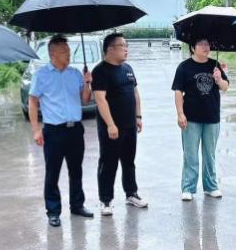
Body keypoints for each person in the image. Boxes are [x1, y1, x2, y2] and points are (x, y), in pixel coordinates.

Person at [28, 35, 94, 227]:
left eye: (68, 50)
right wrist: (36, 129)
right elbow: (32, 101)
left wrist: (88, 83)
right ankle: (53, 211)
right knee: (53, 172)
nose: (68, 53)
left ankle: (77, 205)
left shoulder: (75, 73)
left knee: (76, 170)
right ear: (52, 54)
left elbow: (85, 99)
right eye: (64, 51)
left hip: (75, 130)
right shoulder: (41, 75)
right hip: (53, 131)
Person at [91, 33, 147, 215]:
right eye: (122, 46)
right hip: (111, 128)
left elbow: (135, 93)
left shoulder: (128, 68)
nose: (126, 49)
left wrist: (138, 116)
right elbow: (100, 99)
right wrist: (110, 124)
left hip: (130, 125)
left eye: (126, 46)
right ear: (110, 49)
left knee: (129, 162)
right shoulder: (100, 71)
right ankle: (106, 200)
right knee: (109, 163)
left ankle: (131, 194)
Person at [171, 36, 229, 201]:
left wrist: (219, 79)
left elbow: (225, 87)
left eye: (207, 44)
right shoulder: (184, 67)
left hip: (212, 116)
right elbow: (178, 91)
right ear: (192, 48)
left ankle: (211, 186)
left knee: (209, 154)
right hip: (191, 118)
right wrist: (180, 114)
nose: (206, 47)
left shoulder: (214, 65)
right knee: (190, 154)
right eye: (201, 44)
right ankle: (188, 188)